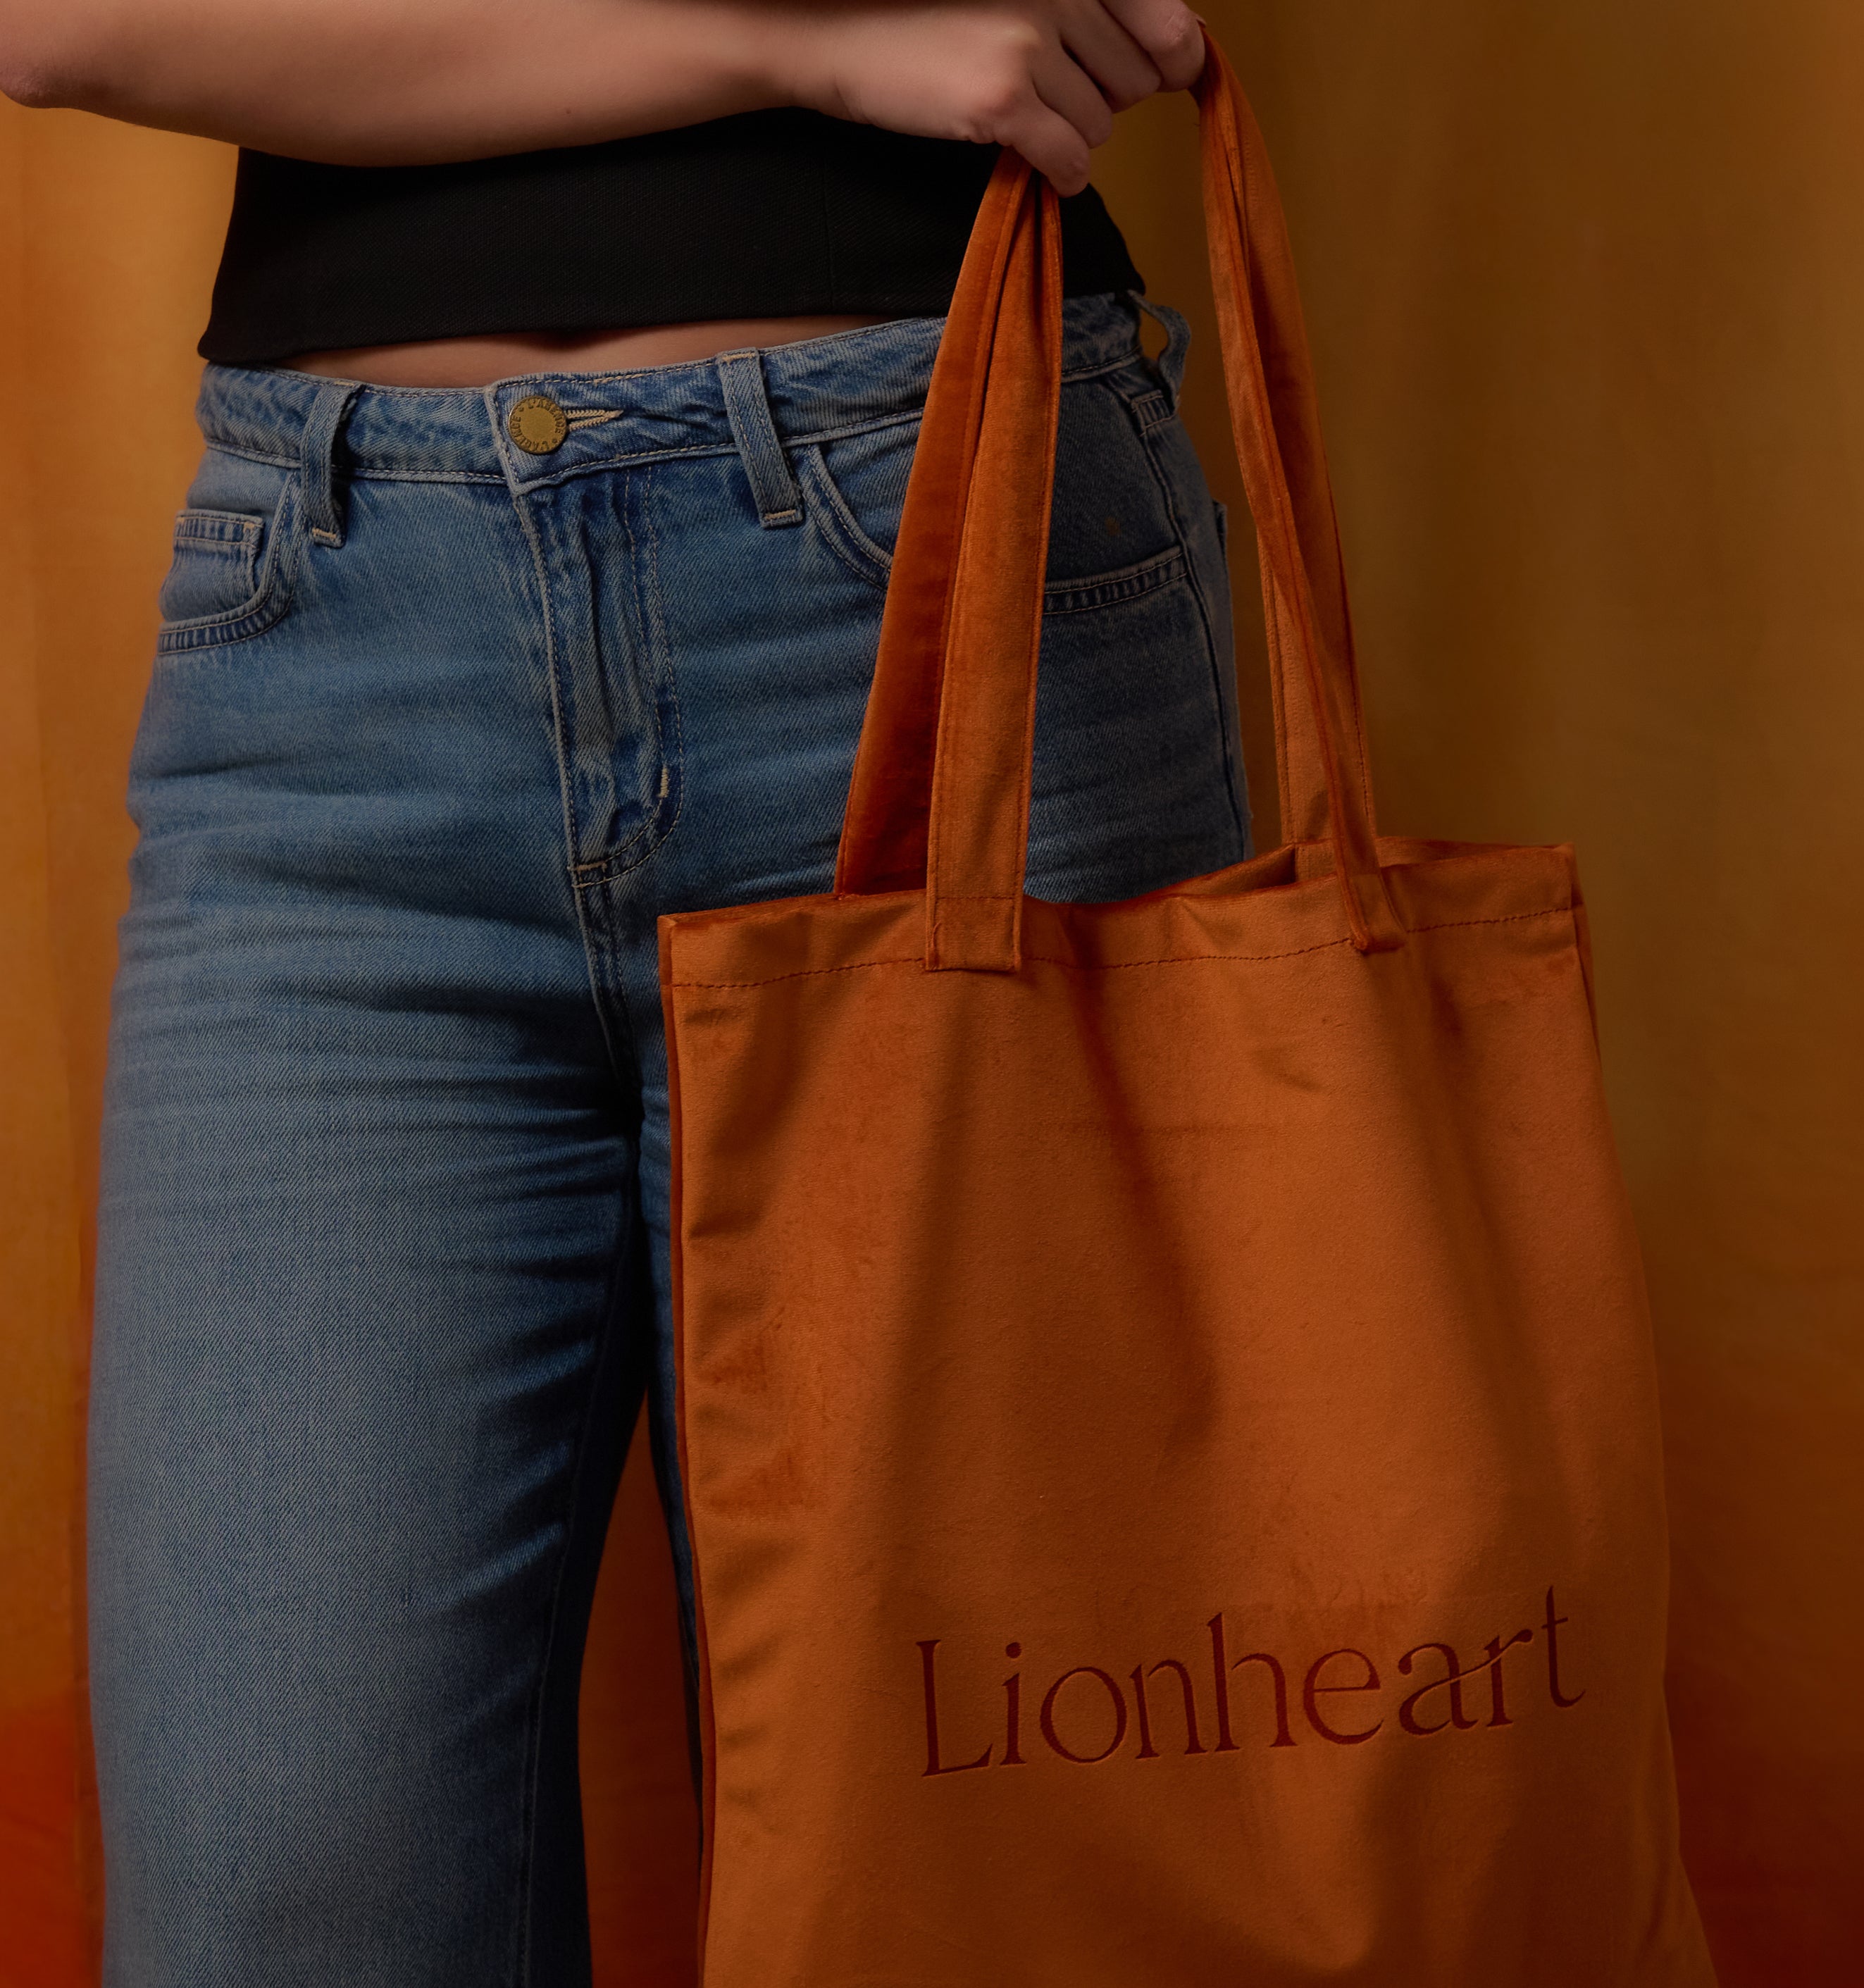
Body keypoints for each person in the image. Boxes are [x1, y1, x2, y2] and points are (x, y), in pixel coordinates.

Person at [4, 4, 1249, 1979]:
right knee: (283, 1898)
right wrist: (810, 44)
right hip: (331, 638)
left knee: (997, 1870)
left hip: (938, 571)